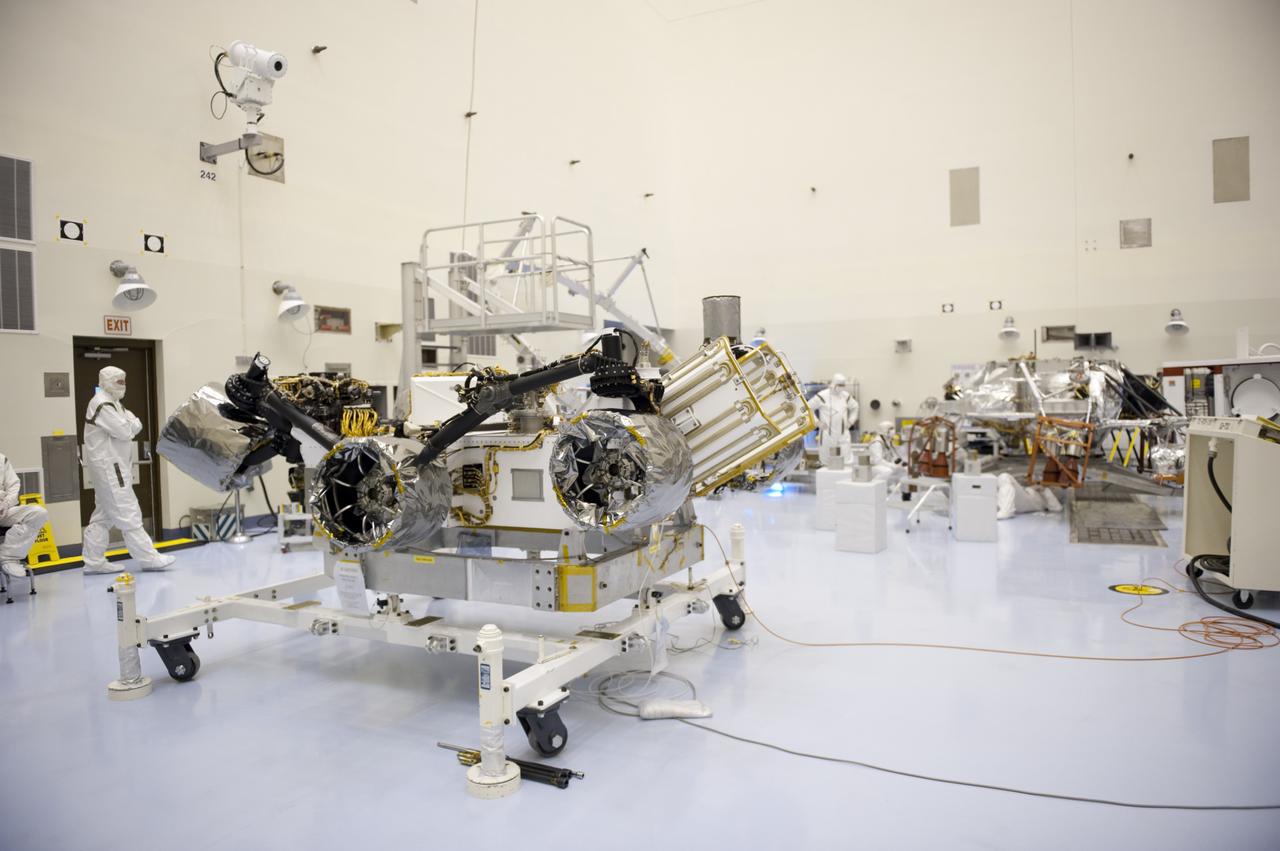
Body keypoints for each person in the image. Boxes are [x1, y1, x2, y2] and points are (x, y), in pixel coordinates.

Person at [81, 366, 175, 574]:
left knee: (103, 515)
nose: (123, 386)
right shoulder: (102, 403)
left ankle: (93, 561)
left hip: (112, 466)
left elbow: (134, 423)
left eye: (124, 381)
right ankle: (148, 558)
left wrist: (129, 426)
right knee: (128, 510)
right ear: (106, 382)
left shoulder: (115, 404)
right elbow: (126, 430)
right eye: (118, 382)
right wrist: (129, 426)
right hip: (110, 467)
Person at [1, 451, 48, 579]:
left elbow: (13, 485)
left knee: (39, 513)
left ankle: (9, 557)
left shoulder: (1, 460)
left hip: (3, 510)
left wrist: (6, 504)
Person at [811, 373, 859, 469]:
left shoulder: (846, 396)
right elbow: (808, 409)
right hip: (827, 434)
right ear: (833, 384)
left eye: (843, 385)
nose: (842, 387)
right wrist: (817, 422)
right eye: (840, 385)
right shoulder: (822, 396)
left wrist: (851, 421)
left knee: (847, 461)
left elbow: (855, 407)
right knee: (826, 462)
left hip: (843, 433)